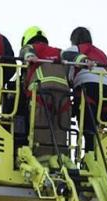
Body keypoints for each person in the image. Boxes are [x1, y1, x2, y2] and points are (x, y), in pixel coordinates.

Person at [19, 26, 71, 156]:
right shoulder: (57, 51)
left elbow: (25, 51)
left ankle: (42, 157)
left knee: (40, 128)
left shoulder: (33, 48)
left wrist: (29, 55)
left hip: (41, 92)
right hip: (63, 95)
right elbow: (70, 57)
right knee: (60, 129)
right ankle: (62, 157)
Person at [62, 27, 107, 151]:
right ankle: (94, 155)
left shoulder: (76, 49)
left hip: (88, 89)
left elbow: (65, 56)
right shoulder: (102, 54)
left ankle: (89, 156)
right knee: (97, 129)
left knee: (87, 129)